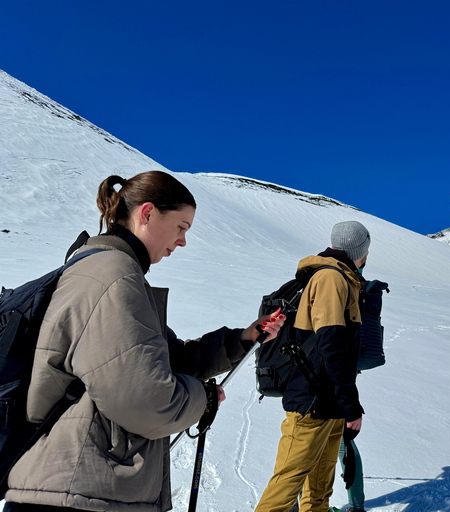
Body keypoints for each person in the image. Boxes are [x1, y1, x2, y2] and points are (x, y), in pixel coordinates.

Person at [4, 171, 285, 512]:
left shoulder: (107, 270)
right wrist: (203, 397)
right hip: (80, 493)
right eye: (181, 227)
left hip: (77, 488)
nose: (182, 241)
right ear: (148, 213)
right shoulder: (112, 275)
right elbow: (147, 401)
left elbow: (164, 358)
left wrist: (242, 339)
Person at [256, 221, 369, 512]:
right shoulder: (330, 278)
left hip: (328, 404)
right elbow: (330, 343)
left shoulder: (344, 278)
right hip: (311, 402)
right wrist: (351, 405)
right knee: (286, 486)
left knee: (319, 490)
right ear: (361, 251)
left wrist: (343, 404)